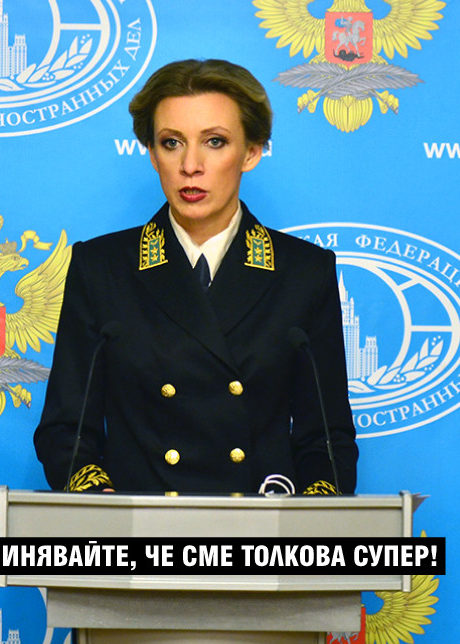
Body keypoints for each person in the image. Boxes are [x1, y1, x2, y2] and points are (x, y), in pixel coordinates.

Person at [33, 59, 358, 495]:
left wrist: (308, 518)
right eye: (171, 143)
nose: (190, 165)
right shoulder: (100, 268)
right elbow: (66, 432)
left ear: (251, 152)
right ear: (152, 154)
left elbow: (327, 442)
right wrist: (101, 505)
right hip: (138, 529)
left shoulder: (304, 273)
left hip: (260, 530)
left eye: (214, 142)